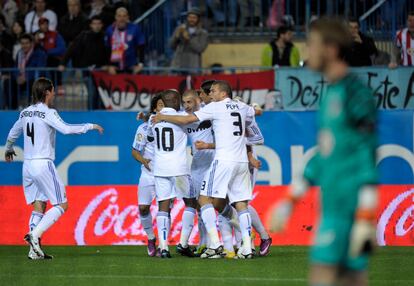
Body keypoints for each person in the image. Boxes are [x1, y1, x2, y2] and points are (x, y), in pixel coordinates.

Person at [270, 18, 378, 286]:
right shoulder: (330, 93)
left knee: (325, 277)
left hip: (348, 210)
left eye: (312, 45)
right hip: (331, 207)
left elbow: (367, 153)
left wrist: (365, 216)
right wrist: (290, 200)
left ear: (329, 49)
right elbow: (323, 155)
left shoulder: (355, 93)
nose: (308, 52)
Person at [152, 80, 256, 259]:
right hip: (241, 162)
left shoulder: (215, 107)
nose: (210, 94)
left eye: (213, 91)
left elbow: (187, 119)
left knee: (203, 199)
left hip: (223, 161)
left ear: (223, 94)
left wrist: (163, 116)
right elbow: (255, 114)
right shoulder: (242, 106)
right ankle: (247, 247)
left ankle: (215, 245)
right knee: (240, 203)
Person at [4, 77, 103, 259]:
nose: (55, 93)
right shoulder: (49, 112)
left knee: (39, 206)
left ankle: (34, 252)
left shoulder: (25, 112)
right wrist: (90, 126)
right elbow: (66, 129)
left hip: (27, 166)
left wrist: (9, 148)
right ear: (47, 92)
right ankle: (35, 235)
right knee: (62, 204)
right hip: (43, 163)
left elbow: (13, 132)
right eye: (53, 90)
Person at [148, 90, 192, 259]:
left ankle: (164, 247)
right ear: (177, 102)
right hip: (179, 169)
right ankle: (182, 243)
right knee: (190, 203)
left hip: (160, 169)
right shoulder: (182, 117)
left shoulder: (154, 119)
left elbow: (151, 137)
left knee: (163, 207)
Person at [132, 94, 165, 257]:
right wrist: (143, 161)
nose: (163, 108)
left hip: (166, 174)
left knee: (164, 210)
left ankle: (164, 245)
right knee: (143, 208)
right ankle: (151, 238)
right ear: (154, 108)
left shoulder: (173, 125)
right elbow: (135, 151)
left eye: (165, 105)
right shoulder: (144, 128)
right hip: (148, 173)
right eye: (160, 105)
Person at [105, 7, 145, 74]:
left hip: (132, 68)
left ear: (127, 17)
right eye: (119, 16)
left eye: (124, 16)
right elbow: (107, 49)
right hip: (115, 68)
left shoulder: (135, 28)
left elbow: (141, 46)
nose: (122, 19)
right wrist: (109, 65)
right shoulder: (110, 30)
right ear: (115, 17)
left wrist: (140, 64)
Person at [14, 33, 47, 106]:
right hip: (21, 79)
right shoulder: (19, 54)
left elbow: (40, 69)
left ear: (31, 43)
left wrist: (26, 77)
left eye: (26, 43)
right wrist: (17, 77)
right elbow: (15, 67)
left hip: (33, 79)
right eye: (22, 43)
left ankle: (31, 107)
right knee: (8, 82)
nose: (24, 46)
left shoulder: (39, 53)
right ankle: (12, 107)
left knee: (33, 83)